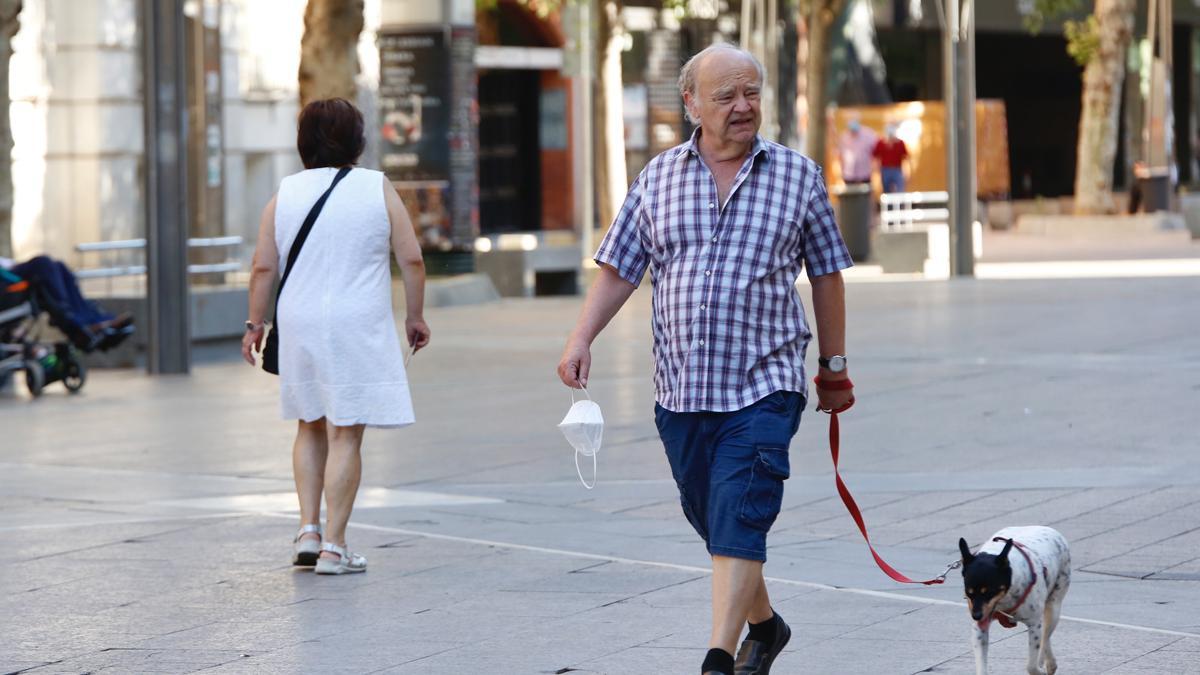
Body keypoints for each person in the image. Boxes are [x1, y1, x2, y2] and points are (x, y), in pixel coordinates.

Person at [556, 44, 854, 675]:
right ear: (690, 103)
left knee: (742, 509)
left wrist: (833, 366)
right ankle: (765, 627)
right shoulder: (658, 178)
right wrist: (581, 338)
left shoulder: (798, 175)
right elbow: (618, 270)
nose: (743, 107)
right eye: (727, 96)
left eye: (752, 93)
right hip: (682, 391)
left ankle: (718, 656)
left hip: (766, 384)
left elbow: (827, 274)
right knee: (715, 518)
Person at [242, 98, 431, 575]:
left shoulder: (284, 193)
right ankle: (335, 545)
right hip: (357, 320)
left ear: (303, 143)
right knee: (345, 431)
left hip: (300, 320)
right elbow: (411, 258)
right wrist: (415, 316)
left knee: (309, 423)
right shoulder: (376, 188)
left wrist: (254, 325)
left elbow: (264, 266)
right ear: (357, 140)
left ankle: (308, 530)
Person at [0, 255, 132, 334]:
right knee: (43, 263)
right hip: (7, 282)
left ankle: (94, 318)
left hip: (9, 275)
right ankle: (74, 319)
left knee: (58, 266)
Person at [837, 114, 878, 185]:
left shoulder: (868, 134)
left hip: (865, 173)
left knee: (865, 193)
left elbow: (875, 151)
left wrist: (874, 167)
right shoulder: (844, 136)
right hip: (849, 174)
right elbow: (840, 154)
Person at [873, 122, 909, 193]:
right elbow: (876, 157)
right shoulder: (881, 143)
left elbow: (906, 158)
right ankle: (888, 204)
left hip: (897, 169)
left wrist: (906, 173)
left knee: (900, 190)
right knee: (886, 191)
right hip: (885, 169)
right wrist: (877, 169)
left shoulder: (900, 143)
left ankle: (900, 203)